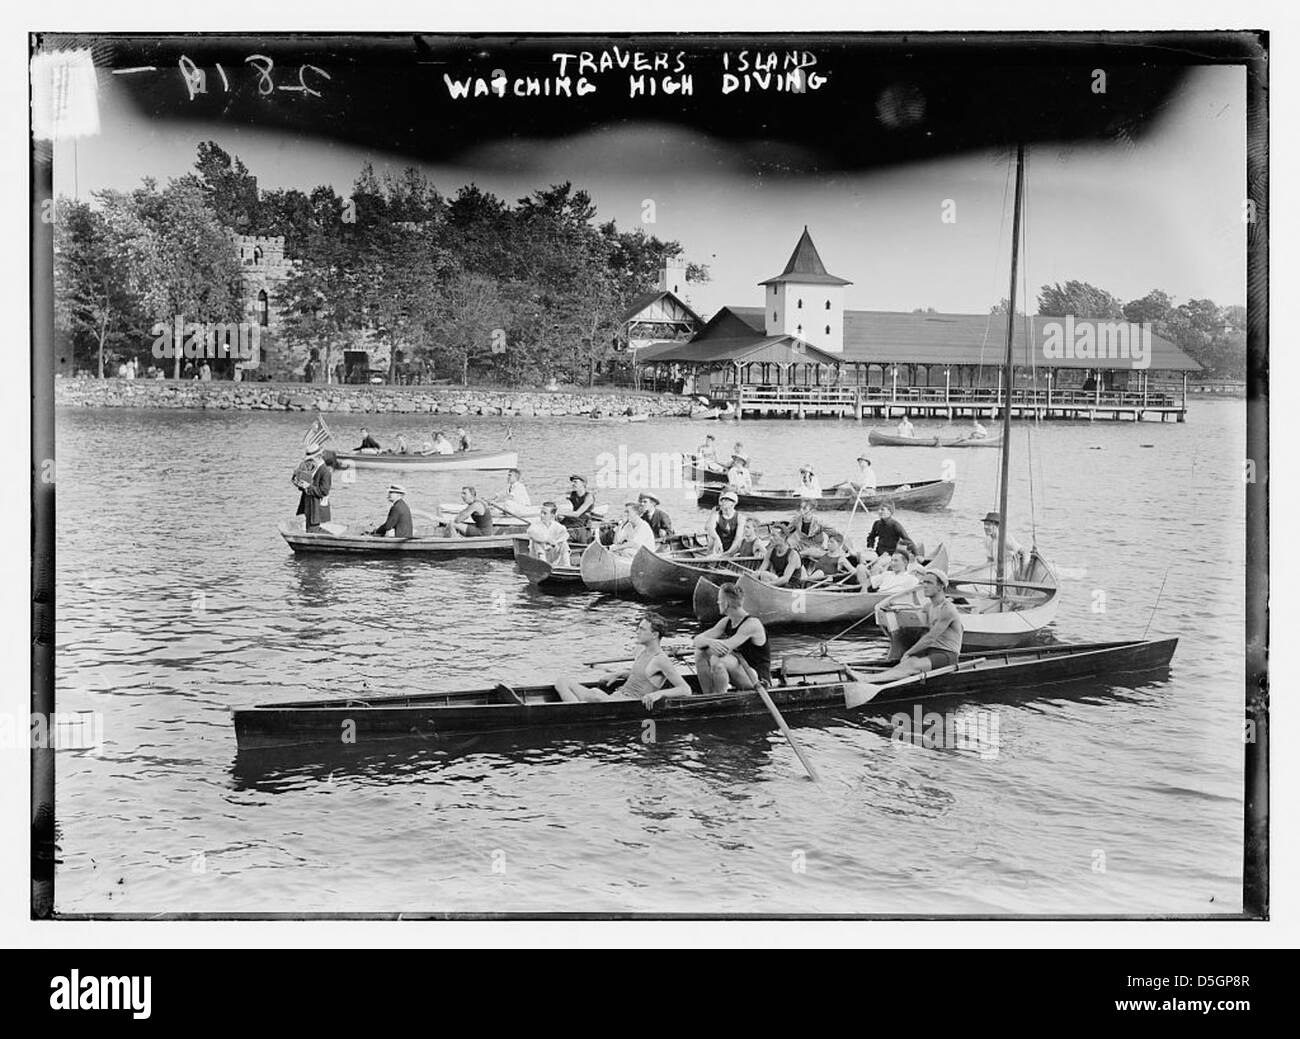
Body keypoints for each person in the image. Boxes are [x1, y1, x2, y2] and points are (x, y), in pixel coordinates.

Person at [554, 612, 692, 707]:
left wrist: (658, 694)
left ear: (654, 635)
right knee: (562, 681)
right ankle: (578, 709)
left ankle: (577, 710)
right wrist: (619, 673)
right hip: (616, 696)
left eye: (642, 629)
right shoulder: (640, 650)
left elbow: (685, 689)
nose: (637, 632)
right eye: (638, 628)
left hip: (629, 703)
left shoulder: (661, 660)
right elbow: (641, 673)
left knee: (595, 694)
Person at [864, 569, 964, 683]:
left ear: (940, 587)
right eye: (924, 582)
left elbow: (930, 638)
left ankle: (870, 679)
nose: (924, 586)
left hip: (947, 655)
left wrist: (908, 652)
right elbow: (914, 613)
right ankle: (876, 679)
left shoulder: (948, 609)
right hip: (930, 651)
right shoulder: (928, 606)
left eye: (929, 583)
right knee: (907, 663)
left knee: (912, 664)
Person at [694, 581, 770, 693]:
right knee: (700, 653)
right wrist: (709, 642)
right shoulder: (726, 622)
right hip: (740, 669)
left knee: (717, 659)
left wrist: (709, 643)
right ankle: (708, 695)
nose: (717, 602)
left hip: (757, 678)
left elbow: (724, 649)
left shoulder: (752, 624)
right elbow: (696, 640)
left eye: (719, 599)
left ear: (726, 603)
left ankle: (720, 700)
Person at [292, 445, 332, 533]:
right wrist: (298, 481)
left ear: (318, 457)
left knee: (313, 531)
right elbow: (303, 484)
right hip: (308, 505)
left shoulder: (325, 472)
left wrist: (308, 487)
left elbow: (324, 491)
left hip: (317, 509)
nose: (309, 461)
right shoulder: (311, 467)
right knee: (309, 530)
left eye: (311, 458)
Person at [980, 511, 1027, 578]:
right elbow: (990, 560)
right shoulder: (987, 540)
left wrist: (1022, 575)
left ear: (997, 526)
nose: (986, 527)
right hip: (999, 571)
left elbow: (1023, 552)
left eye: (989, 525)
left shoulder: (1005, 538)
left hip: (1012, 572)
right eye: (985, 524)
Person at [526, 502, 571, 566]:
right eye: (541, 512)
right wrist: (547, 540)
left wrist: (555, 542)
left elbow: (565, 535)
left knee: (564, 544)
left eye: (545, 513)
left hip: (551, 555)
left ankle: (567, 566)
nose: (541, 515)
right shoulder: (535, 525)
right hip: (537, 557)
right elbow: (532, 534)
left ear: (552, 515)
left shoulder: (557, 526)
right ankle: (543, 565)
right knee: (538, 543)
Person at [705, 490, 743, 557]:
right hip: (718, 546)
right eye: (723, 500)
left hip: (732, 547)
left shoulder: (739, 517)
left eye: (727, 500)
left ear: (733, 503)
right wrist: (717, 540)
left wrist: (729, 552)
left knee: (740, 541)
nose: (723, 502)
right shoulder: (716, 515)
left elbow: (738, 538)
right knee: (712, 539)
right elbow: (710, 528)